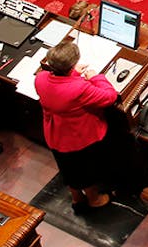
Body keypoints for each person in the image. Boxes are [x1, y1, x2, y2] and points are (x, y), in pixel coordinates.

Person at [35, 39, 118, 209]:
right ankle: (94, 200)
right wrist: (95, 77)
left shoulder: (41, 78)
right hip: (79, 138)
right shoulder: (79, 88)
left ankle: (76, 197)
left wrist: (73, 74)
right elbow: (110, 97)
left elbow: (59, 85)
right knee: (85, 171)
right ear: (71, 65)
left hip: (55, 135)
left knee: (68, 169)